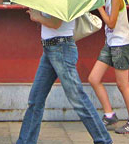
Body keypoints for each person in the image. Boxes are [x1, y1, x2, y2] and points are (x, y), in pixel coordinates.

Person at [17, 9, 112, 144]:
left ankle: (104, 140)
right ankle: (25, 141)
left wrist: (37, 17)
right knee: (35, 100)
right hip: (50, 50)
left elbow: (56, 23)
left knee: (78, 99)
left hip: (61, 49)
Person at [88, 0, 129, 134]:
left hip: (121, 45)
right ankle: (109, 115)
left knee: (122, 84)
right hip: (110, 44)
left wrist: (100, 8)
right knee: (94, 78)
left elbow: (111, 23)